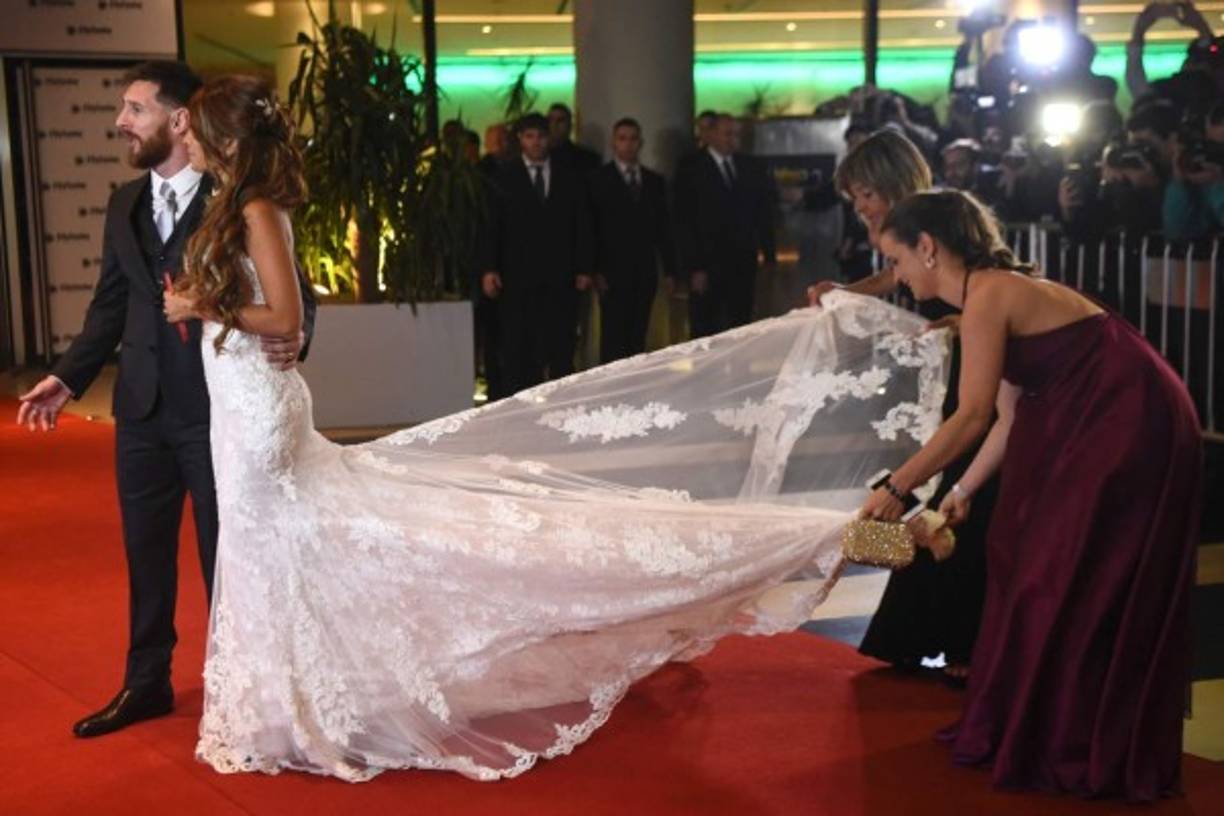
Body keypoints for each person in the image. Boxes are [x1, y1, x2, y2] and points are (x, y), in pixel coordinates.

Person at [160, 75, 953, 783]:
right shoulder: (236, 204)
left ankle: (879, 535)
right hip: (244, 407)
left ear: (224, 136)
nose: (180, 135)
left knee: (360, 540)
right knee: (290, 551)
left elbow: (288, 317)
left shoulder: (257, 208)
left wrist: (204, 305)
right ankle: (288, 704)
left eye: (190, 125)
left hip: (259, 416)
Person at [862, 190, 1201, 801]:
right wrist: (961, 489)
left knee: (1069, 567)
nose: (899, 276)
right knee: (1026, 554)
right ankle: (1052, 729)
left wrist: (898, 486)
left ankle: (1074, 738)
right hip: (1100, 418)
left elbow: (967, 418)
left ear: (929, 247)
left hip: (1130, 418)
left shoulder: (990, 293)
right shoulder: (983, 298)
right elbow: (1006, 418)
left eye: (897, 259)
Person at [15, 62, 315, 739]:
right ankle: (145, 682)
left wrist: (295, 340)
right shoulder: (123, 202)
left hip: (220, 409)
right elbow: (109, 306)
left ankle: (237, 687)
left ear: (179, 120)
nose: (121, 122)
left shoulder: (236, 191)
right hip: (142, 409)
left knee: (225, 557)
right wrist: (67, 378)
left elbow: (298, 294)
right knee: (145, 554)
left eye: (134, 109)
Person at [810, 129, 997, 683]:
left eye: (866, 193)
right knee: (943, 500)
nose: (861, 206)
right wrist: (848, 292)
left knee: (953, 499)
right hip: (952, 369)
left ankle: (950, 638)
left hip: (973, 370)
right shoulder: (913, 227)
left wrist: (962, 324)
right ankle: (932, 635)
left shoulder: (937, 221)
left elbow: (980, 291)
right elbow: (896, 276)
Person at [480, 112, 592, 394]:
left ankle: (562, 406)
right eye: (530, 136)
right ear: (520, 140)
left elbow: (582, 223)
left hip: (561, 275)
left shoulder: (569, 175)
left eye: (541, 136)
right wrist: (489, 269)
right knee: (520, 347)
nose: (536, 142)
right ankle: (521, 410)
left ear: (549, 138)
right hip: (518, 276)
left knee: (561, 346)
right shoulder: (503, 178)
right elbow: (492, 227)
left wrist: (583, 268)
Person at [674, 113, 776, 337]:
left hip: (742, 261)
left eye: (737, 134)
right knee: (705, 326)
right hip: (707, 263)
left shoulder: (750, 167)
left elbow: (762, 213)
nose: (734, 139)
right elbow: (685, 221)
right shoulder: (691, 168)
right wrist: (694, 267)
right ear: (710, 135)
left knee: (741, 324)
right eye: (728, 134)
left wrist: (769, 255)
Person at [586, 117, 676, 362]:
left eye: (633, 138)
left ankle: (635, 391)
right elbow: (591, 229)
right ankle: (612, 393)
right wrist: (594, 269)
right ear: (613, 143)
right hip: (611, 272)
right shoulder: (597, 180)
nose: (628, 144)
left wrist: (669, 271)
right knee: (612, 336)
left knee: (639, 333)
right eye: (622, 138)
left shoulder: (654, 181)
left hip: (644, 270)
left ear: (641, 143)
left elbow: (663, 230)